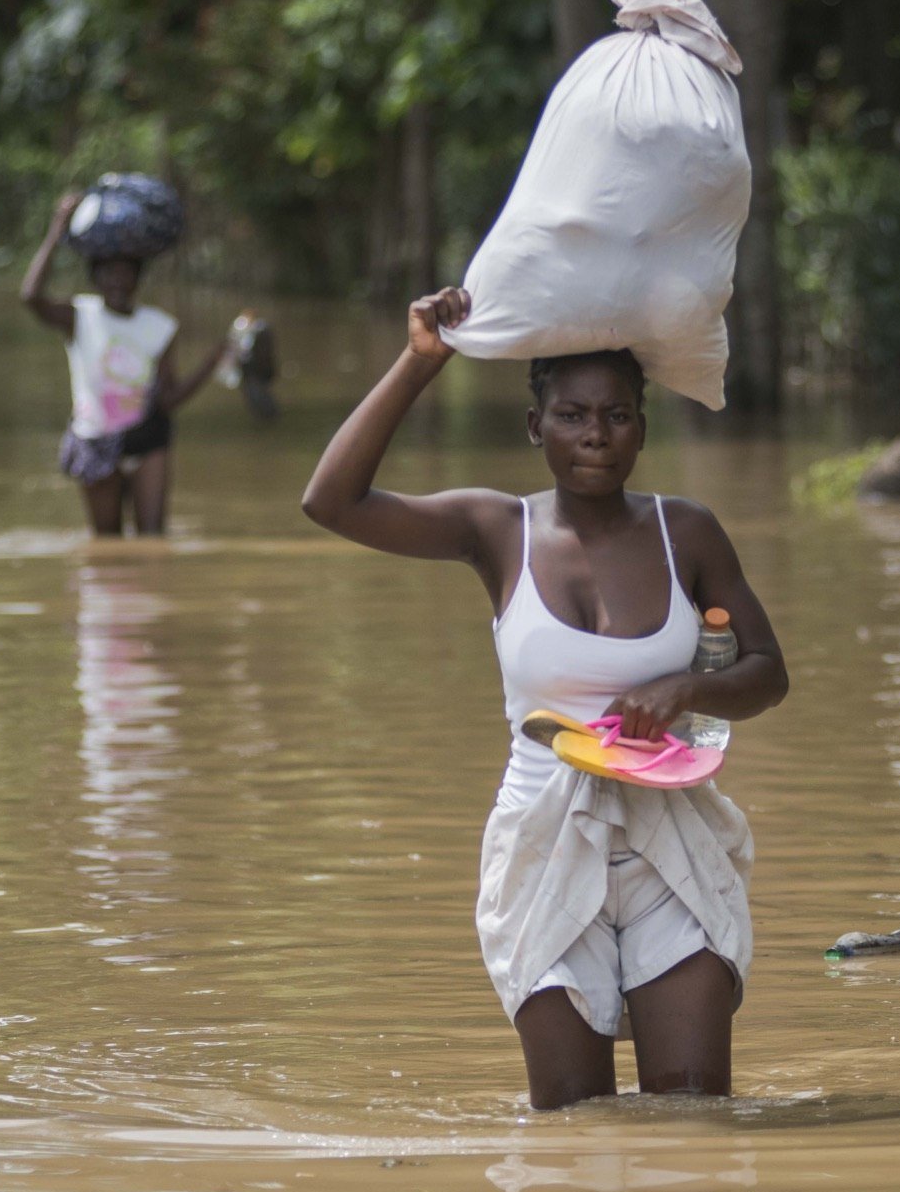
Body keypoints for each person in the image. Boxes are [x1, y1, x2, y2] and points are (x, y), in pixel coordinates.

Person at [302, 287, 789, 1109]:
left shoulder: (688, 531)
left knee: (696, 1122)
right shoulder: (497, 530)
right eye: (571, 415)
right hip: (543, 842)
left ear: (642, 425)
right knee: (575, 1131)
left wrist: (688, 687)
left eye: (618, 415)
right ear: (535, 427)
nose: (596, 434)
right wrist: (421, 361)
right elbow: (331, 501)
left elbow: (767, 673)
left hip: (673, 845)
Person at [20, 191, 236, 536]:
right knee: (107, 539)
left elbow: (168, 400)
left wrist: (212, 362)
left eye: (125, 273)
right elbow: (31, 296)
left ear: (137, 278)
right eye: (108, 273)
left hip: (147, 438)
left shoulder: (159, 326)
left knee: (153, 537)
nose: (117, 281)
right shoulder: (80, 316)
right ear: (95, 277)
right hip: (95, 439)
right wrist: (56, 229)